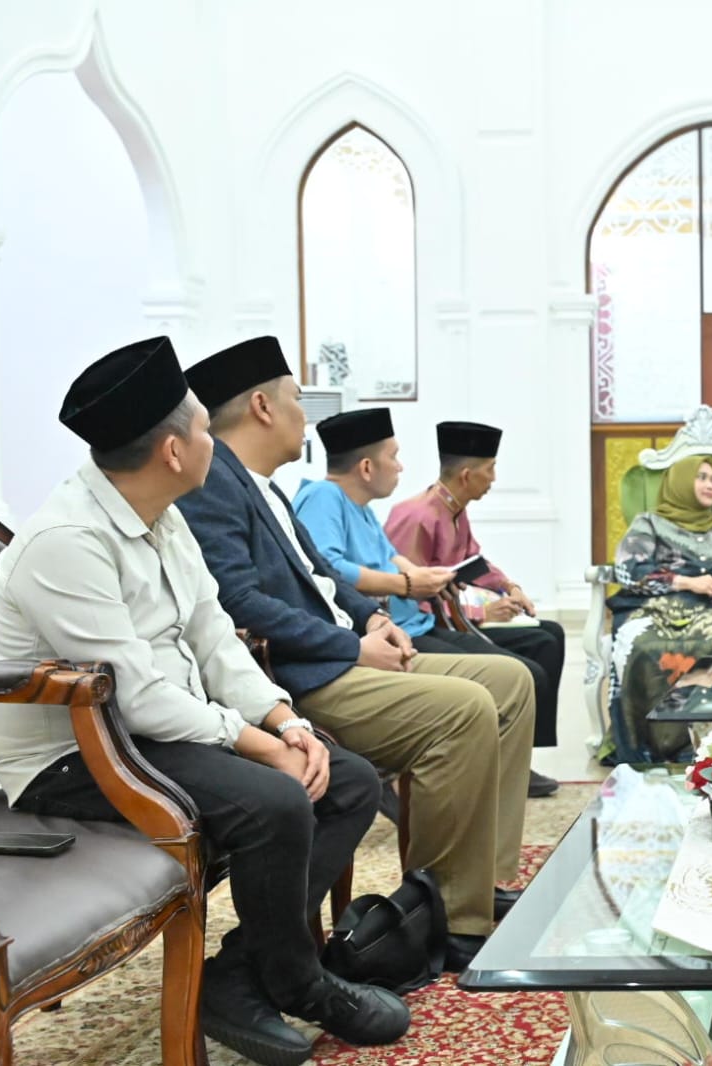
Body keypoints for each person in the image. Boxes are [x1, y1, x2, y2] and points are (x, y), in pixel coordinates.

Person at [0, 337, 407, 1065]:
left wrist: (285, 721)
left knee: (347, 780)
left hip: (149, 731)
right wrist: (260, 746)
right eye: (207, 428)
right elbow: (132, 697)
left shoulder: (164, 513)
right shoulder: (66, 542)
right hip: (72, 755)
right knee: (276, 800)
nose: (217, 442)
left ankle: (242, 975)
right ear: (174, 451)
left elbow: (215, 640)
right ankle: (299, 982)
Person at [174, 336, 535, 973]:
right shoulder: (215, 485)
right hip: (303, 677)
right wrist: (352, 645)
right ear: (262, 406)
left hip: (346, 652)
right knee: (465, 709)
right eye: (295, 398)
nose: (305, 415)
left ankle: (481, 880)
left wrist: (373, 618)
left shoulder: (268, 488)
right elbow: (237, 601)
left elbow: (322, 574)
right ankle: (449, 915)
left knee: (511, 681)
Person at [293, 410, 558, 799]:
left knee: (523, 666)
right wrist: (407, 584)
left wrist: (420, 577)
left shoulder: (359, 508)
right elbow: (328, 568)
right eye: (394, 457)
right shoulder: (323, 497)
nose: (401, 467)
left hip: (410, 625)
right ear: (366, 467)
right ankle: (480, 778)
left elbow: (392, 557)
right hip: (383, 637)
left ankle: (502, 771)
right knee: (512, 675)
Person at [385, 421, 566, 795]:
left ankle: (519, 759)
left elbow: (474, 562)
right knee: (528, 672)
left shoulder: (454, 509)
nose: (494, 479)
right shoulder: (416, 516)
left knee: (550, 636)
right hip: (422, 631)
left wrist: (510, 588)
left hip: (449, 621)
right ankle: (502, 765)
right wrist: (483, 614)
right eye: (490, 469)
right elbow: (405, 595)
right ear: (467, 475)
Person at [602, 454, 712, 762]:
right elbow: (629, 569)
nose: (710, 485)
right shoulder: (650, 523)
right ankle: (657, 746)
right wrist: (686, 582)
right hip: (655, 608)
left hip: (711, 611)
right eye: (701, 477)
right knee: (645, 647)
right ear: (679, 483)